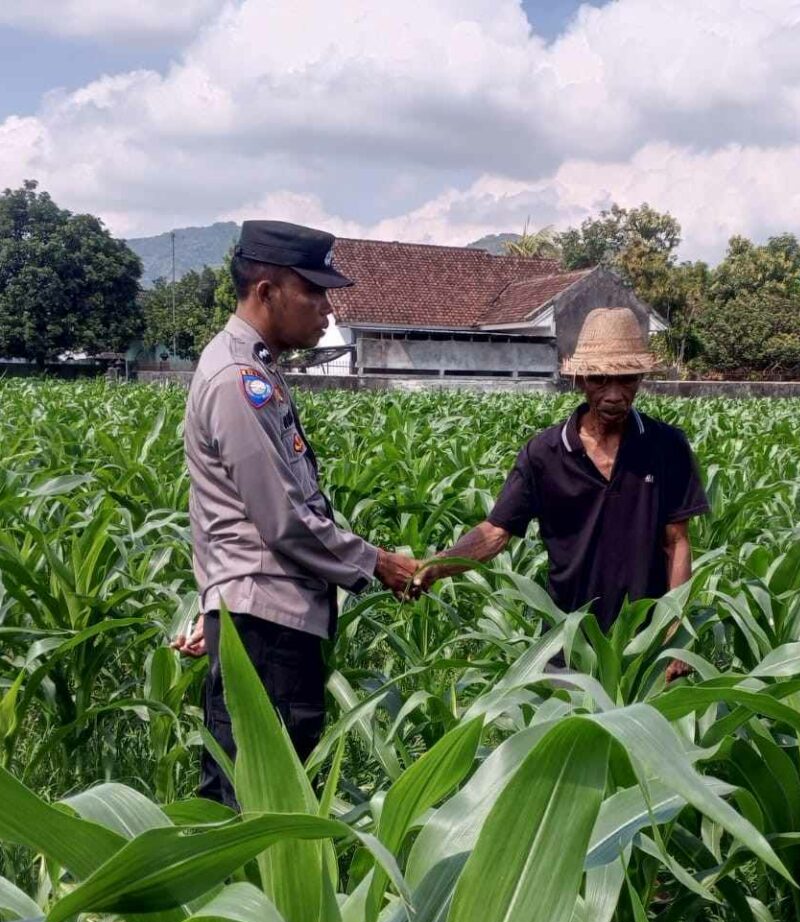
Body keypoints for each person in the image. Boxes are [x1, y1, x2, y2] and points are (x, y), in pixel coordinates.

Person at [172, 220, 418, 805]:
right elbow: (282, 519)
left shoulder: (255, 367)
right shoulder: (239, 380)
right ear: (267, 291)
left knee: (258, 796)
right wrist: (379, 563)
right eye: (314, 292)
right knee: (256, 806)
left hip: (261, 622)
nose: (328, 310)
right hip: (267, 630)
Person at [414, 307, 710, 682]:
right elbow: (495, 532)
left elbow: (677, 543)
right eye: (601, 380)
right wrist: (433, 568)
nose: (615, 395)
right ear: (580, 379)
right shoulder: (544, 453)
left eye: (627, 379)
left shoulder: (667, 445)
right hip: (568, 641)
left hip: (645, 644)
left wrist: (673, 631)